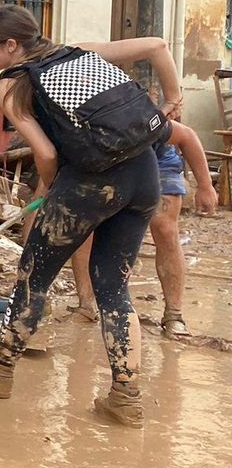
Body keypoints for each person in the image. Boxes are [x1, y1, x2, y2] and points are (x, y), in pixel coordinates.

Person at [0, 5, 180, 428]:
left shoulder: (13, 84)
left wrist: (49, 189)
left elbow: (47, 154)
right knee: (114, 286)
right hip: (144, 176)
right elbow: (159, 46)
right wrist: (173, 99)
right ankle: (125, 396)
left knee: (33, 276)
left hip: (89, 183)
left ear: (11, 45)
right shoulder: (81, 51)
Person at [66, 118, 216, 336]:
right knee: (85, 226)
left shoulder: (136, 117)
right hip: (105, 164)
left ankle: (174, 315)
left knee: (164, 227)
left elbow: (187, 136)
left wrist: (205, 186)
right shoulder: (72, 123)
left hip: (157, 161)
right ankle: (86, 306)